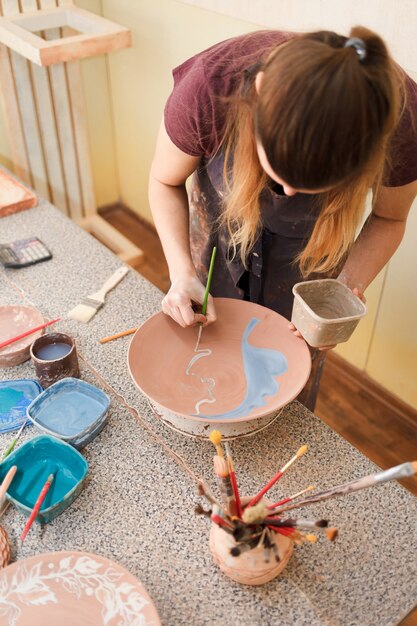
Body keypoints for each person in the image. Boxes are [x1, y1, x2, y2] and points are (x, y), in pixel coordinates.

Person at [148, 26, 417, 410]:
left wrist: (339, 295)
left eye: (311, 187)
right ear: (258, 93)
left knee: (286, 391)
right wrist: (181, 274)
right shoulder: (209, 87)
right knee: (202, 351)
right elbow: (164, 181)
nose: (288, 194)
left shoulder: (401, 122)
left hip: (310, 257)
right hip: (216, 239)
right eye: (279, 173)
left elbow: (390, 218)